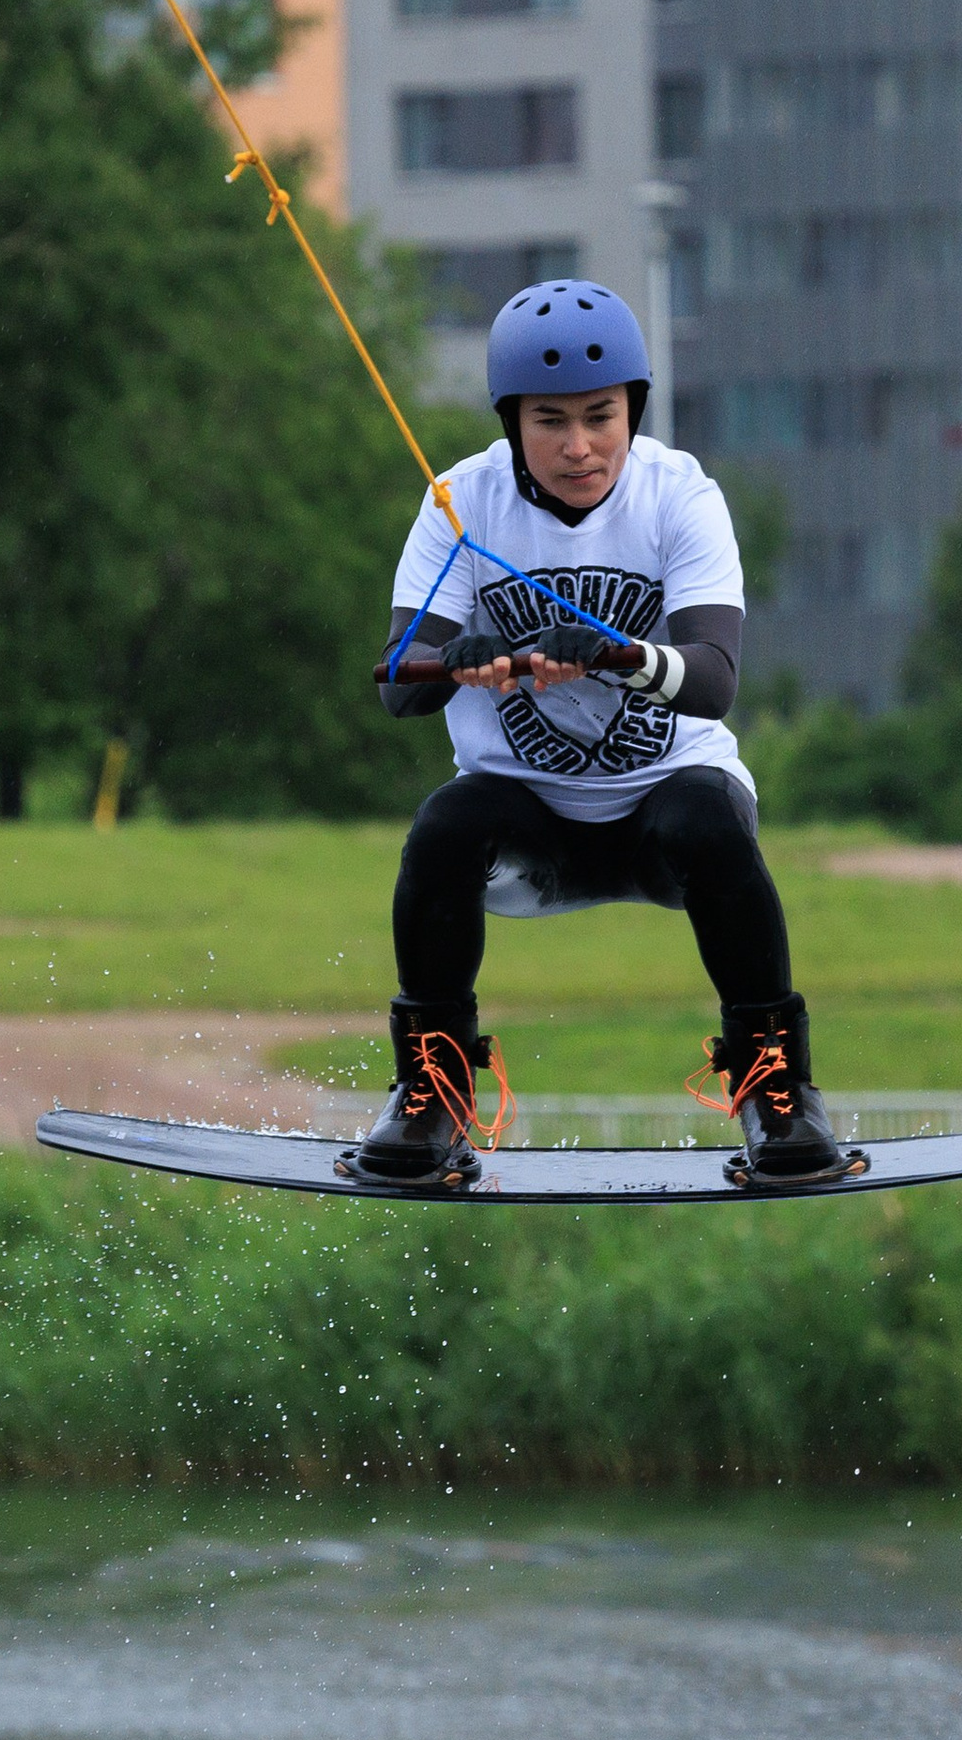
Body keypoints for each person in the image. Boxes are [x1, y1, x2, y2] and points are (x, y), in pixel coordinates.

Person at [353, 279, 843, 1189]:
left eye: (599, 417)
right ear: (511, 424)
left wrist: (621, 655)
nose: (579, 446)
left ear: (632, 412)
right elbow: (397, 685)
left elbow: (715, 681)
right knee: (443, 826)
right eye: (549, 421)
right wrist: (455, 657)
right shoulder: (461, 501)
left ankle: (777, 1093)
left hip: (668, 807)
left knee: (708, 818)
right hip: (528, 822)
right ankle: (432, 1095)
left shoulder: (680, 496)